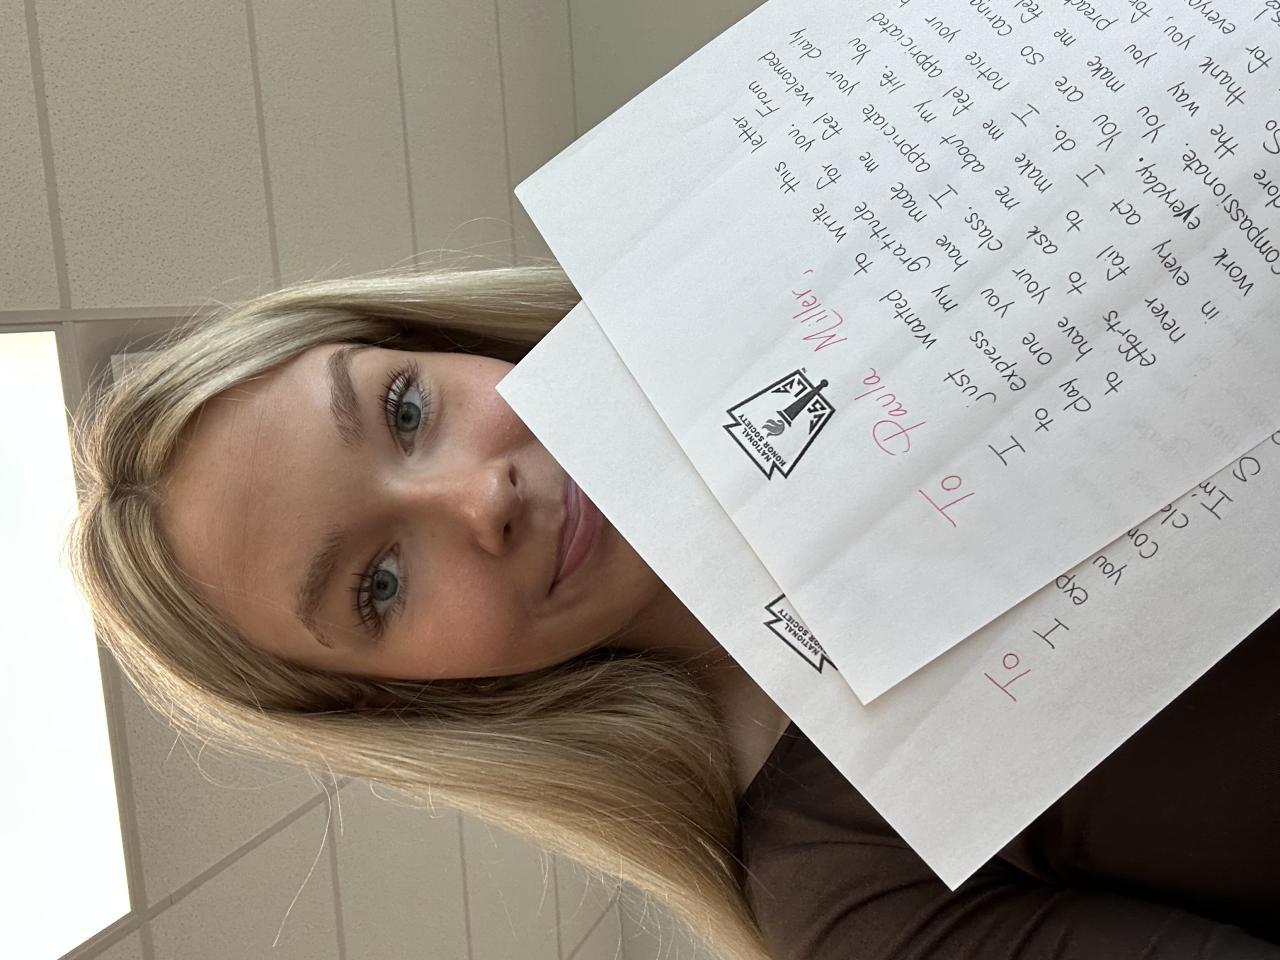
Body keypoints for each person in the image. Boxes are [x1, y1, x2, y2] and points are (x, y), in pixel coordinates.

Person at [68, 256, 1278, 960]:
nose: (481, 497)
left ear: (437, 341)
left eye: (403, 410)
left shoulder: (874, 271)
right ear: (405, 701)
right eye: (378, 585)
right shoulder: (852, 896)